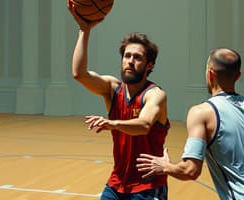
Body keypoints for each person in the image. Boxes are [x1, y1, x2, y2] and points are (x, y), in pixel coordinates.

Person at [137, 48, 244, 199]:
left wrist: (165, 166)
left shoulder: (202, 113)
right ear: (238, 76)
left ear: (210, 73)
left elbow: (190, 170)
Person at [67, 1, 170, 199]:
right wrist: (84, 30)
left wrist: (112, 123)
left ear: (149, 65)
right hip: (117, 184)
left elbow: (145, 124)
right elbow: (79, 74)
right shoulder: (112, 89)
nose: (130, 61)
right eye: (127, 56)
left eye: (137, 58)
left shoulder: (155, 94)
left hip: (147, 187)